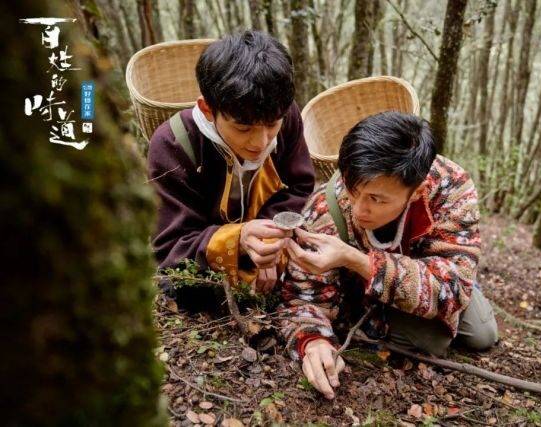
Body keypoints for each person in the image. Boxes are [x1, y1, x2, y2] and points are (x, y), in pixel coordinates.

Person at [277, 111, 498, 399]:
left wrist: (358, 261)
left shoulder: (452, 189)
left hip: (434, 269)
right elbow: (300, 296)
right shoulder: (324, 209)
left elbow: (451, 289)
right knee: (429, 339)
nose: (358, 209)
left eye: (377, 199)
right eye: (353, 190)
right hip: (368, 288)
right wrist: (313, 340)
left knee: (482, 335)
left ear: (417, 191)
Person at [147, 31, 315, 309]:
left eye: (272, 125)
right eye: (243, 128)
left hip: (274, 248)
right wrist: (238, 240)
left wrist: (270, 244)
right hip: (210, 263)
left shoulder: (286, 115)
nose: (261, 142)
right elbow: (169, 248)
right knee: (182, 289)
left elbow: (299, 187)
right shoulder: (173, 143)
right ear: (208, 109)